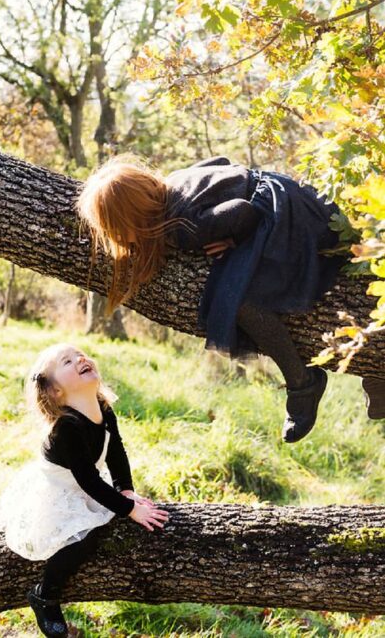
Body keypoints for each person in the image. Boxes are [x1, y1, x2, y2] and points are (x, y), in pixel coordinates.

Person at [76, 155, 372, 442]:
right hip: (292, 192)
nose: (114, 239)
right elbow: (219, 162)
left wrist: (233, 239)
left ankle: (303, 384)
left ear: (134, 220)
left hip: (289, 218)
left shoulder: (185, 229)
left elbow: (243, 212)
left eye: (114, 230)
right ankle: (375, 374)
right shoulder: (174, 180)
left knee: (239, 303)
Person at [0, 344, 168, 637]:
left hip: (85, 481)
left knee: (107, 522)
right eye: (67, 361)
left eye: (80, 355)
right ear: (55, 392)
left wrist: (125, 490)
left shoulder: (102, 408)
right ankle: (45, 594)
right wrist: (131, 510)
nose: (80, 360)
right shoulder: (66, 428)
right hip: (59, 491)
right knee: (80, 542)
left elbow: (116, 452)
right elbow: (88, 481)